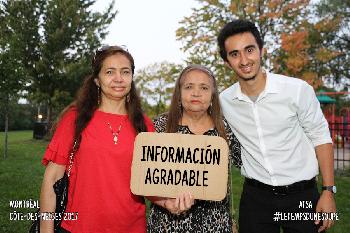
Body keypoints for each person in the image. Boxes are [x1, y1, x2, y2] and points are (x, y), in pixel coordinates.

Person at [218, 19, 336, 233]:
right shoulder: (224, 101)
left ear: (261, 50)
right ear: (227, 62)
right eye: (234, 54)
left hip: (302, 197)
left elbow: (321, 137)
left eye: (249, 50)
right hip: (256, 199)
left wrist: (328, 191)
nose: (244, 60)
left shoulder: (297, 90)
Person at [39, 45, 154, 233]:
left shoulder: (144, 124)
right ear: (97, 80)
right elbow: (52, 178)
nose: (118, 78)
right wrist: (46, 230)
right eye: (110, 72)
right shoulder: (75, 119)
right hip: (79, 227)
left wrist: (171, 200)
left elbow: (152, 182)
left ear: (132, 78)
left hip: (132, 228)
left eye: (125, 72)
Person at [147, 64, 242, 233]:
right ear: (179, 93)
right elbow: (145, 179)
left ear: (213, 95)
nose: (196, 93)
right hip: (167, 225)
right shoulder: (159, 127)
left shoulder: (226, 130)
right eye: (189, 87)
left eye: (204, 88)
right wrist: (164, 202)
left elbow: (247, 164)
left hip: (215, 225)